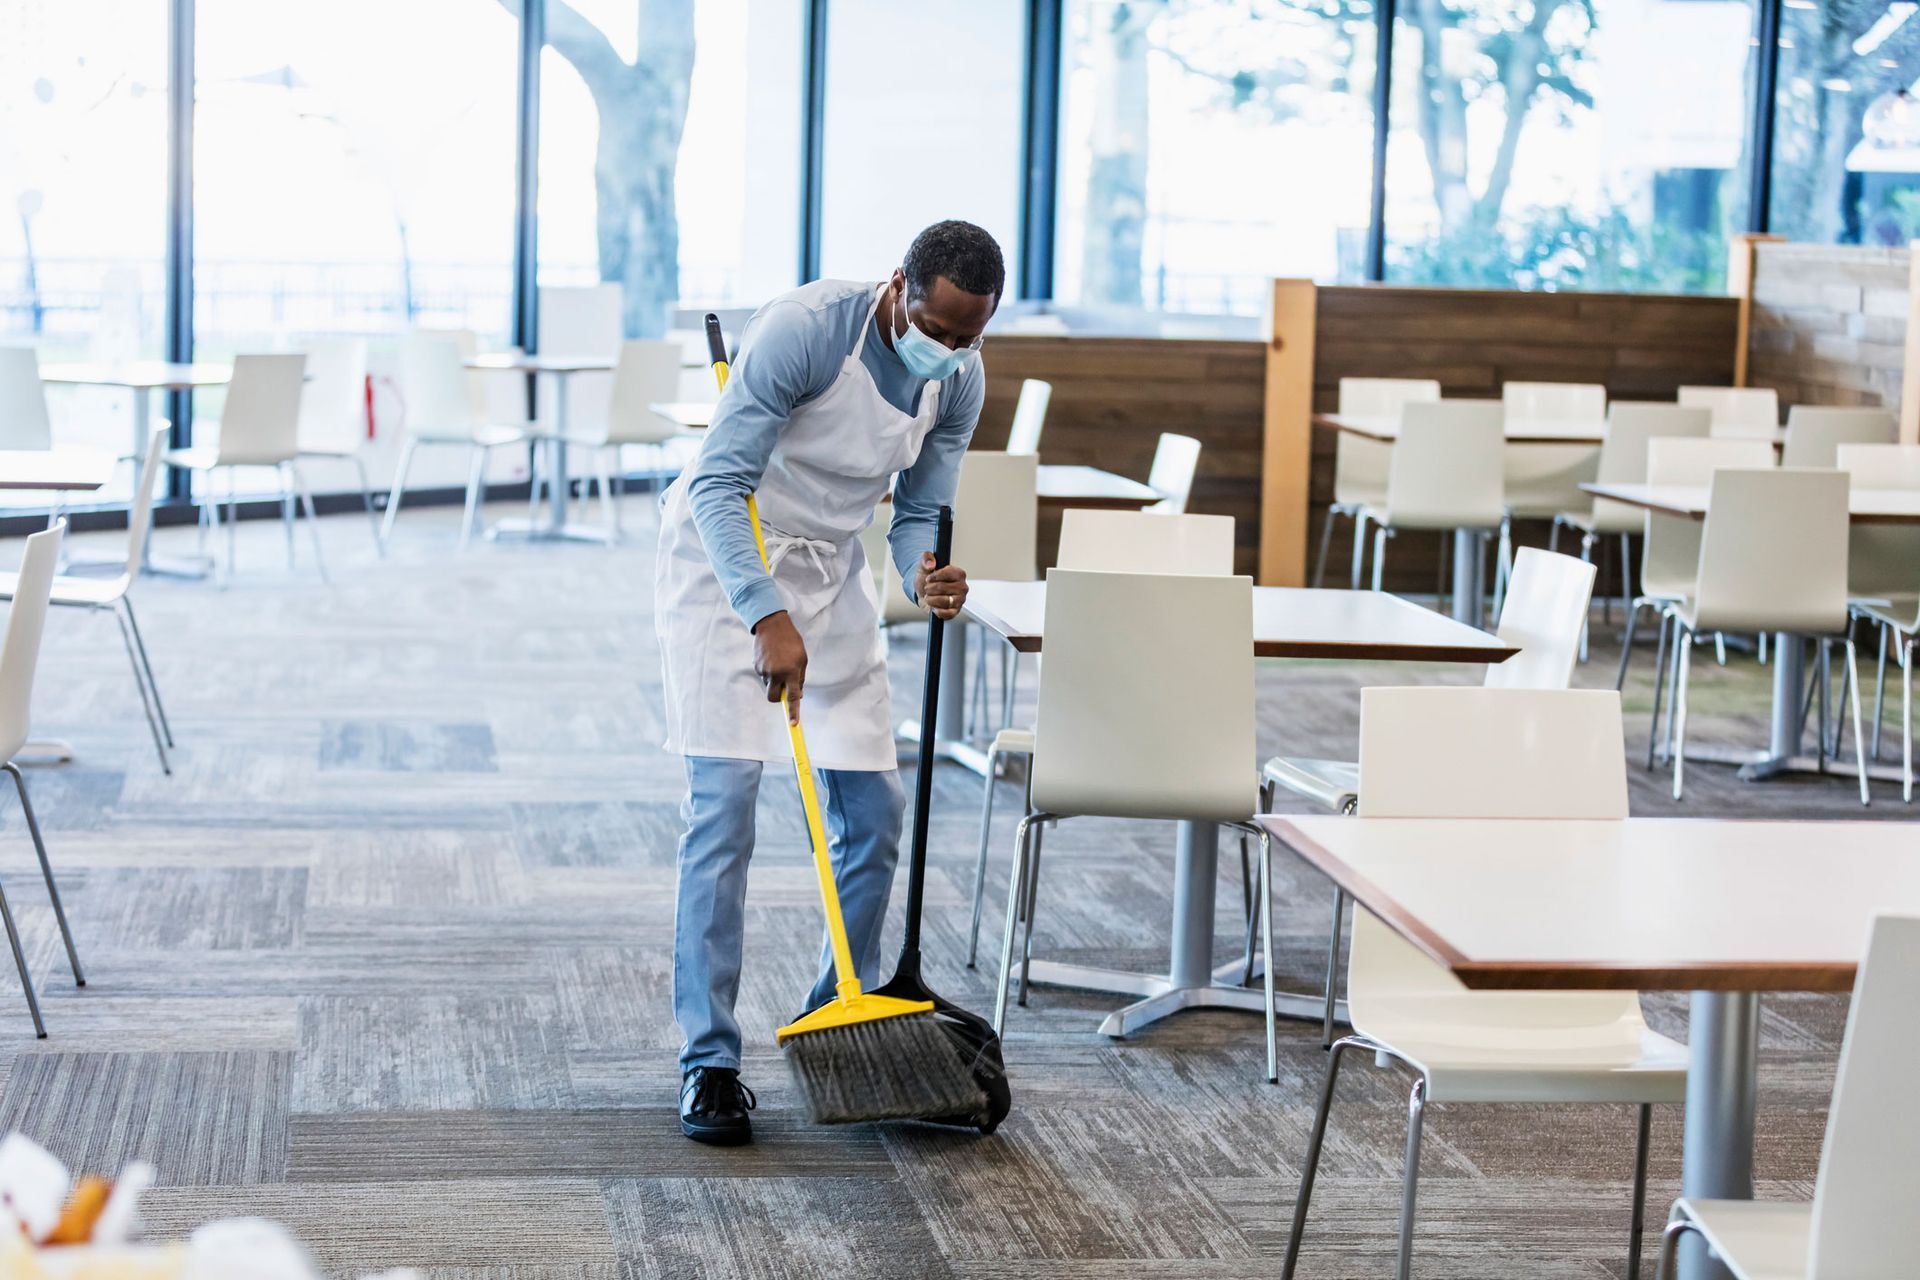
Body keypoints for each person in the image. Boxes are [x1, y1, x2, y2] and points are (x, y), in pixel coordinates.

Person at [655, 220, 1005, 1145]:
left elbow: (920, 506)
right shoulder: (809, 330)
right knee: (725, 805)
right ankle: (710, 1064)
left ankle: (829, 1023)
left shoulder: (960, 378)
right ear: (899, 288)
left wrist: (928, 565)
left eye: (971, 337)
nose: (953, 351)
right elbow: (717, 482)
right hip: (725, 556)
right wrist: (763, 613)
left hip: (833, 571)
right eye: (940, 328)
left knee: (874, 813)